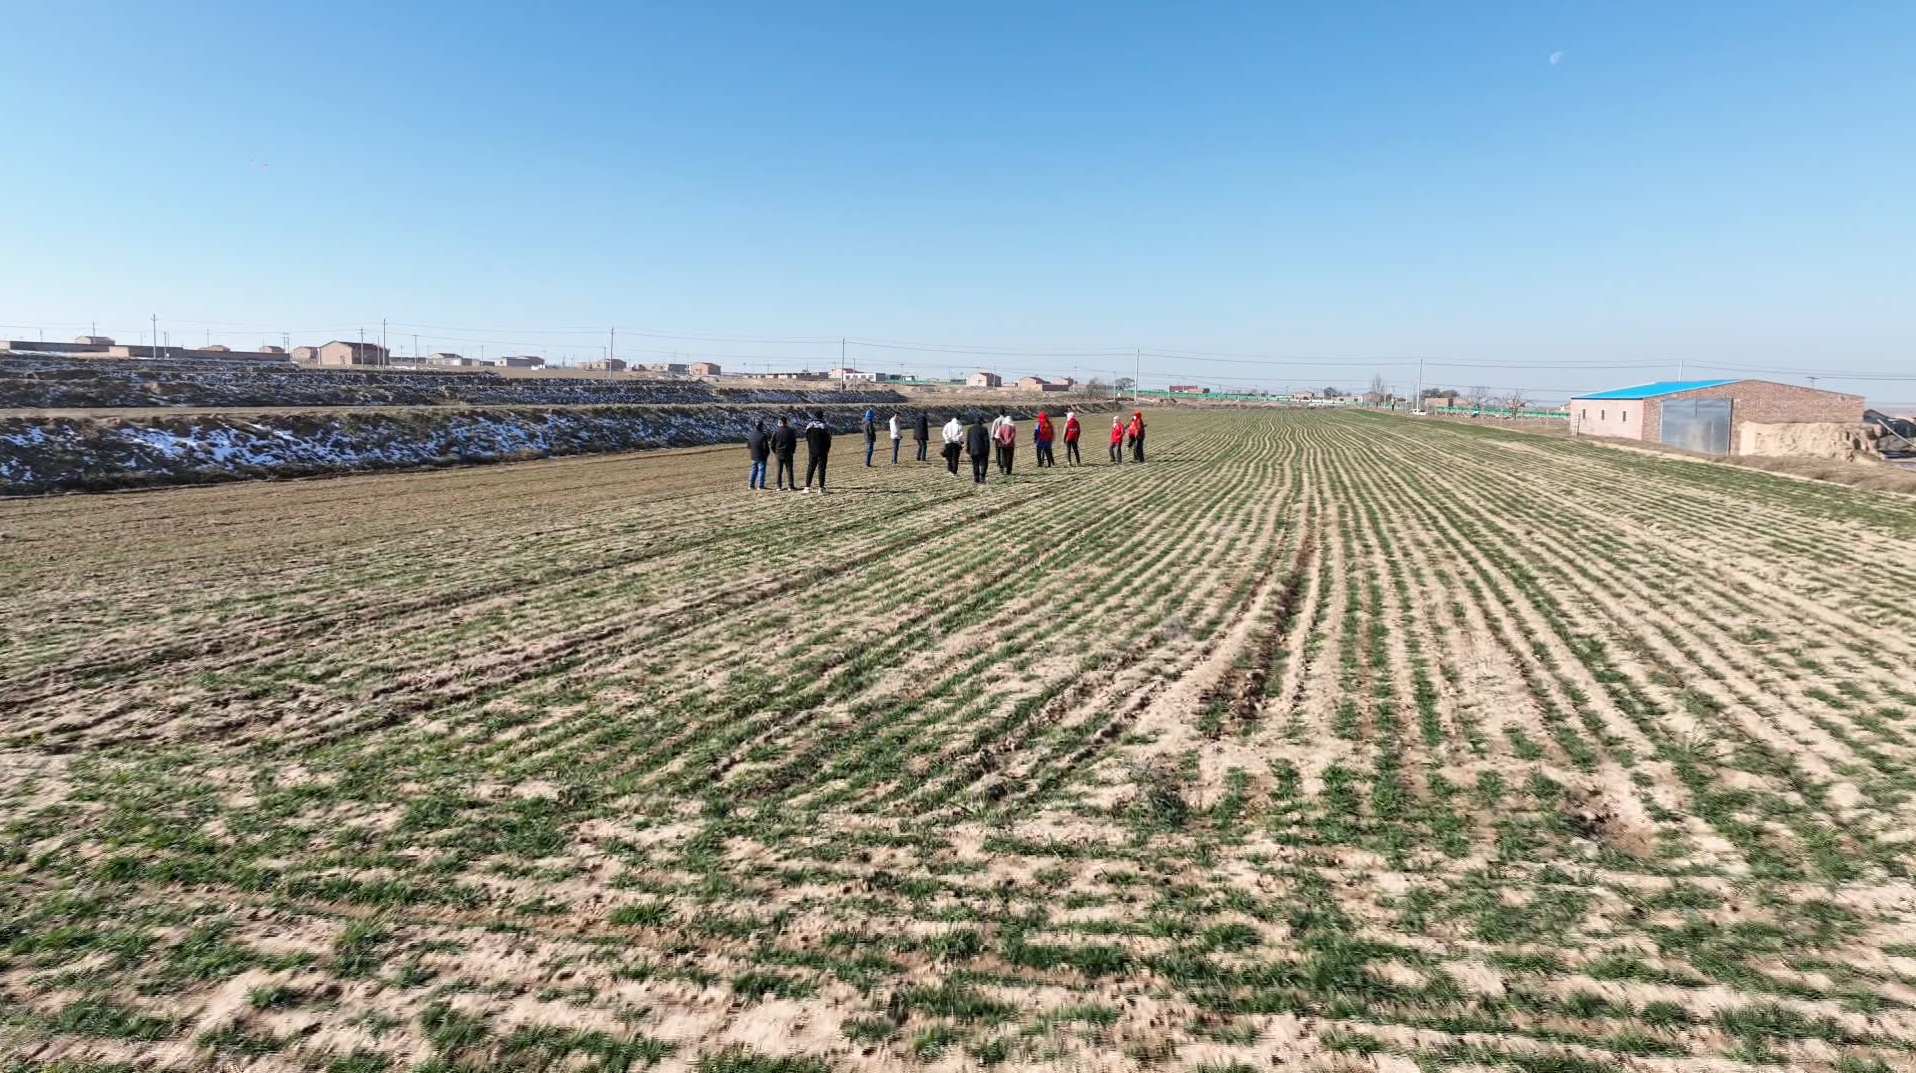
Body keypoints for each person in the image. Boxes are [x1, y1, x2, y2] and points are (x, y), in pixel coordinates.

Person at [804, 410, 833, 493]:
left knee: (810, 468)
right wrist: (827, 449)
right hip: (822, 451)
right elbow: (828, 440)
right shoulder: (824, 427)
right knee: (821, 469)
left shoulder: (809, 427)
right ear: (822, 417)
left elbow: (807, 439)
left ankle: (807, 487)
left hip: (812, 451)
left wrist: (811, 447)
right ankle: (821, 487)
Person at [771, 415, 798, 490]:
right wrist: (792, 451)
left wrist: (775, 451)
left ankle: (779, 486)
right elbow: (794, 442)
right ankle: (790, 485)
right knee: (789, 470)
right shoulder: (791, 431)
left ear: (780, 422)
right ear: (786, 422)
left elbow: (772, 444)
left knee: (779, 470)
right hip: (789, 453)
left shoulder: (776, 431)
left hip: (779, 453)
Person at [965, 413, 992, 485]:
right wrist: (988, 450)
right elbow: (986, 441)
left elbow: (968, 439)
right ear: (981, 421)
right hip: (982, 450)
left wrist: (967, 449)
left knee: (975, 464)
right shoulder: (984, 429)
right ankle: (982, 478)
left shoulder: (970, 429)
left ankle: (976, 478)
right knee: (983, 464)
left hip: (973, 450)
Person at [746, 419, 770, 489]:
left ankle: (751, 485)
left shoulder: (750, 434)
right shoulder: (763, 435)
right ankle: (760, 486)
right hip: (762, 456)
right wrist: (767, 454)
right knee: (761, 471)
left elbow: (748, 446)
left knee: (753, 470)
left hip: (753, 456)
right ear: (761, 426)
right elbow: (766, 447)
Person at [993, 411, 1017, 475]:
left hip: (1003, 445)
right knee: (1010, 458)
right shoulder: (1013, 427)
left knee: (1004, 457)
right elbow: (1013, 435)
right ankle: (1008, 471)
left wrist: (1003, 442)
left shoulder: (1001, 427)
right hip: (1011, 445)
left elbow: (999, 435)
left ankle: (1005, 468)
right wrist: (1008, 441)